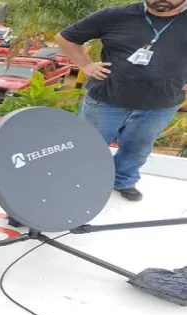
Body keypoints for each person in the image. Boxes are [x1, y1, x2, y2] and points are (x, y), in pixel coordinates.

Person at [55, 0, 187, 201]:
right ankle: (79, 181)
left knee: (138, 148)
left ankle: (123, 180)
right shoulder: (115, 15)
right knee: (88, 146)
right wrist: (85, 65)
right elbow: (65, 38)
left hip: (161, 103)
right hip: (106, 99)